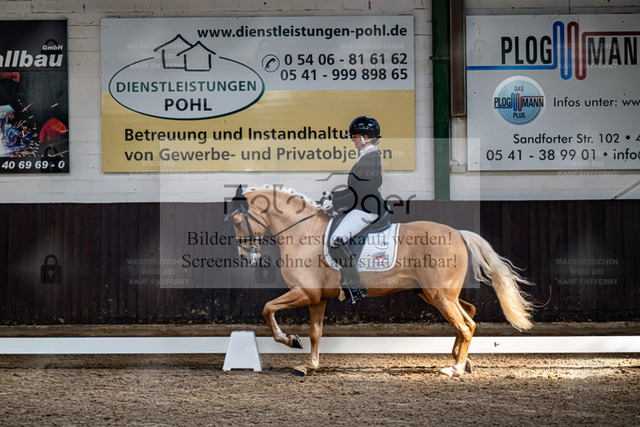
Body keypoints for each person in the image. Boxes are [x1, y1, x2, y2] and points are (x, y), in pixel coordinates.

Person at [320, 116, 385, 304]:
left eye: (355, 136)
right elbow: (354, 189)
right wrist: (333, 196)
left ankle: (354, 286)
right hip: (361, 204)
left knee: (336, 240)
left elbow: (360, 192)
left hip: (367, 209)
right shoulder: (366, 156)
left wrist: (334, 204)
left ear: (366, 137)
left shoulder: (371, 158)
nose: (352, 139)